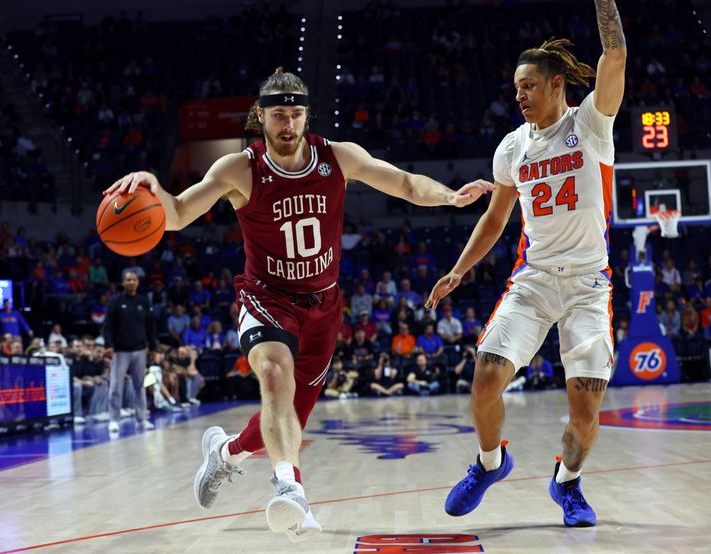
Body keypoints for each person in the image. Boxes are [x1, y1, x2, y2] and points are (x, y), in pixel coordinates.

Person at [106, 67, 492, 540]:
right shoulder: (239, 168)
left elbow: (408, 184)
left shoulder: (339, 157)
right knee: (273, 377)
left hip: (323, 306)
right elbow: (180, 213)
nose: (287, 126)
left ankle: (225, 454)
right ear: (260, 118)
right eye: (277, 116)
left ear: (307, 116)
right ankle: (289, 489)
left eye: (295, 115)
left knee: (289, 413)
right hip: (266, 298)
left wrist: (451, 197)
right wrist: (152, 187)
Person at [426, 0, 626, 529]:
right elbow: (494, 220)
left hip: (587, 284)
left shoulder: (591, 125)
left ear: (557, 84)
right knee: (487, 378)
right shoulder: (512, 148)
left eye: (529, 86)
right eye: (516, 87)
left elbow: (616, 54)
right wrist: (460, 269)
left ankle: (567, 484)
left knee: (585, 410)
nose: (519, 96)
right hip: (533, 280)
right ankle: (491, 463)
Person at [103, 271, 158, 433]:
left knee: (140, 386)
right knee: (115, 387)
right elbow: (108, 325)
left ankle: (142, 418)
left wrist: (153, 348)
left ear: (138, 282)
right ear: (123, 282)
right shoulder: (116, 301)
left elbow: (151, 326)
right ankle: (114, 419)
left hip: (140, 350)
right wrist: (109, 345)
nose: (131, 282)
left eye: (134, 280)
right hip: (120, 351)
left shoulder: (143, 301)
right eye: (128, 280)